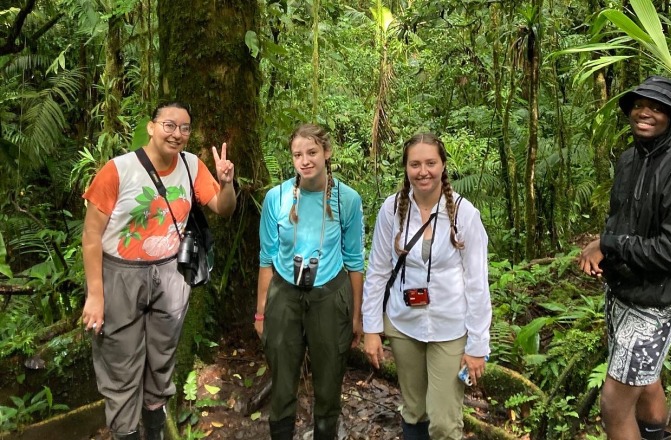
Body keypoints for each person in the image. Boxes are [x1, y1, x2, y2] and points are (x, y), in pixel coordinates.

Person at [80, 101, 237, 440]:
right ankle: (125, 431)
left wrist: (226, 183)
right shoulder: (118, 169)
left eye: (184, 128)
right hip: (120, 276)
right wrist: (95, 295)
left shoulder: (191, 165)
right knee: (120, 365)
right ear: (151, 127)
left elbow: (223, 208)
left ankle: (155, 429)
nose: (177, 133)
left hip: (170, 275)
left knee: (162, 360)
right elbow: (91, 236)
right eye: (169, 125)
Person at [578, 76, 671, 440]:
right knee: (646, 377)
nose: (645, 112)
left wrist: (608, 244)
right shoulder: (628, 160)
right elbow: (621, 223)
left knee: (614, 404)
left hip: (658, 301)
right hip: (623, 291)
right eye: (640, 105)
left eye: (656, 108)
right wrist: (603, 253)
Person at [362, 133, 492, 440]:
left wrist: (477, 346)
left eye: (431, 163)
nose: (423, 171)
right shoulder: (392, 209)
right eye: (415, 164)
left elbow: (477, 284)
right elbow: (378, 271)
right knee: (414, 411)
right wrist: (371, 329)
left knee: (445, 423)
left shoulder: (464, 214)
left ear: (443, 166)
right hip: (403, 323)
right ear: (406, 168)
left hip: (449, 326)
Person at [254, 123, 365, 440]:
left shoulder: (347, 200)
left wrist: (356, 317)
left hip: (330, 295)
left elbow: (355, 262)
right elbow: (266, 258)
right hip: (284, 294)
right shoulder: (277, 197)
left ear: (327, 153)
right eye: (298, 154)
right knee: (283, 381)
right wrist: (261, 312)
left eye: (312, 152)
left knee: (329, 383)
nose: (305, 160)